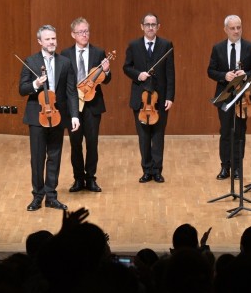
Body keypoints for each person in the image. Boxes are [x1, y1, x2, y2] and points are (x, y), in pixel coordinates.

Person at [18, 24, 78, 211]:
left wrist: (74, 115)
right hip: (37, 116)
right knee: (37, 158)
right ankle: (37, 196)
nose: (52, 42)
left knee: (54, 156)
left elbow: (71, 91)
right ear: (40, 41)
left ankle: (51, 196)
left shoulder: (65, 62)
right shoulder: (31, 61)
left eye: (54, 38)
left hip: (58, 116)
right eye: (48, 39)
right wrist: (35, 84)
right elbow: (22, 89)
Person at [206, 15, 251, 180]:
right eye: (232, 28)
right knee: (225, 132)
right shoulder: (218, 48)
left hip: (244, 98)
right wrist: (224, 75)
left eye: (239, 27)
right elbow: (211, 71)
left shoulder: (250, 47)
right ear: (225, 29)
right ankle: (225, 167)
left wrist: (246, 74)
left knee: (239, 132)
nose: (236, 31)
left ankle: (237, 168)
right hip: (225, 97)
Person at [123, 13, 176, 183]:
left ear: (158, 26)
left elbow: (170, 73)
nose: (150, 27)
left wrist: (170, 97)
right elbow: (126, 67)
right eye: (147, 24)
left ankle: (157, 170)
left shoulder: (166, 45)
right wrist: (138, 75)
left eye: (153, 24)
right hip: (140, 99)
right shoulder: (133, 45)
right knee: (144, 137)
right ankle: (146, 170)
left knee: (158, 136)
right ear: (142, 26)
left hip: (160, 98)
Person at [60, 17, 111, 193]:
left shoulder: (98, 52)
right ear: (73, 34)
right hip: (73, 106)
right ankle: (78, 179)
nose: (84, 35)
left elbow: (106, 80)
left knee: (92, 143)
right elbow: (62, 80)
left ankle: (90, 179)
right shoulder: (65, 54)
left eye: (86, 31)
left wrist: (106, 71)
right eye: (81, 32)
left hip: (93, 105)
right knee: (75, 143)